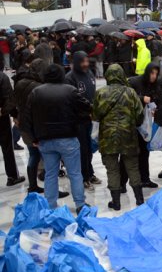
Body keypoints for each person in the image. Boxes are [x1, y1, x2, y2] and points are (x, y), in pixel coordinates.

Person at [22, 64, 90, 212]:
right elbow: (87, 108)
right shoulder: (70, 90)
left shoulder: (36, 92)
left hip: (45, 140)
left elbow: (26, 118)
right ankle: (80, 204)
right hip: (68, 138)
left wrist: (33, 138)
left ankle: (51, 206)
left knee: (50, 174)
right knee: (75, 173)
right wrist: (78, 122)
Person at [93, 65, 145, 210]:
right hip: (128, 136)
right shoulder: (130, 92)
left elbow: (95, 115)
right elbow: (139, 115)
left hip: (108, 138)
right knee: (133, 168)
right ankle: (139, 199)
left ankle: (116, 203)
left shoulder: (100, 93)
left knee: (112, 170)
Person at [65, 51, 99, 189]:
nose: (85, 64)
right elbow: (71, 101)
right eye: (82, 62)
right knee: (81, 150)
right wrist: (85, 112)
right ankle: (83, 177)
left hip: (90, 118)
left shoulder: (89, 73)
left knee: (90, 148)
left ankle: (90, 173)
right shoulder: (70, 78)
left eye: (86, 61)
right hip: (78, 120)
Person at [14, 59, 48, 192]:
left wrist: (15, 116)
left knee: (33, 155)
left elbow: (13, 102)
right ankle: (50, 187)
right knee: (47, 156)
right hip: (37, 126)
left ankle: (32, 185)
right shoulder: (39, 87)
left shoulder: (20, 82)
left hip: (23, 123)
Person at [128, 62, 161, 189]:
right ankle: (122, 183)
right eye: (152, 73)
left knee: (144, 151)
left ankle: (145, 179)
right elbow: (127, 96)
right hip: (131, 123)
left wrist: (155, 108)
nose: (154, 76)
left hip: (145, 124)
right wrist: (141, 98)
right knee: (130, 154)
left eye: (156, 74)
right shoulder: (134, 81)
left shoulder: (154, 85)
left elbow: (156, 99)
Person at [0, 70, 24, 186]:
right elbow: (9, 98)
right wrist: (14, 114)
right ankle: (12, 176)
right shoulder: (2, 77)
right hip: (1, 117)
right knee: (7, 147)